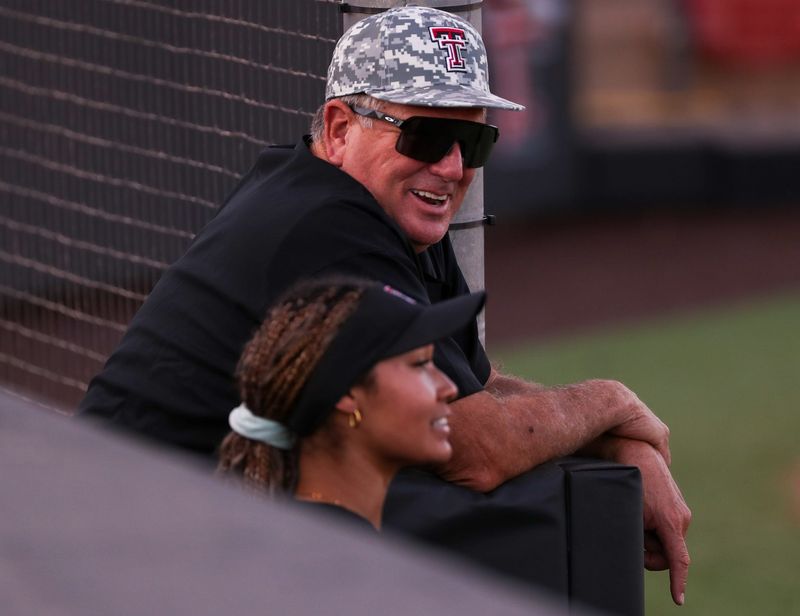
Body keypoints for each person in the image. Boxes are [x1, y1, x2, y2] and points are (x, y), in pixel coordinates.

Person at [79, 5, 690, 605]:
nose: (451, 166)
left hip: (202, 519)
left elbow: (469, 391)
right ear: (341, 128)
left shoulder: (383, 207)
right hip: (122, 545)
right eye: (427, 134)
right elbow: (476, 449)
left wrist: (616, 441)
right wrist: (613, 403)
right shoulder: (325, 226)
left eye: (473, 139)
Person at [216, 277, 485, 530]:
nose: (448, 388)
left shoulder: (305, 530)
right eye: (420, 364)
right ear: (347, 393)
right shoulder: (332, 558)